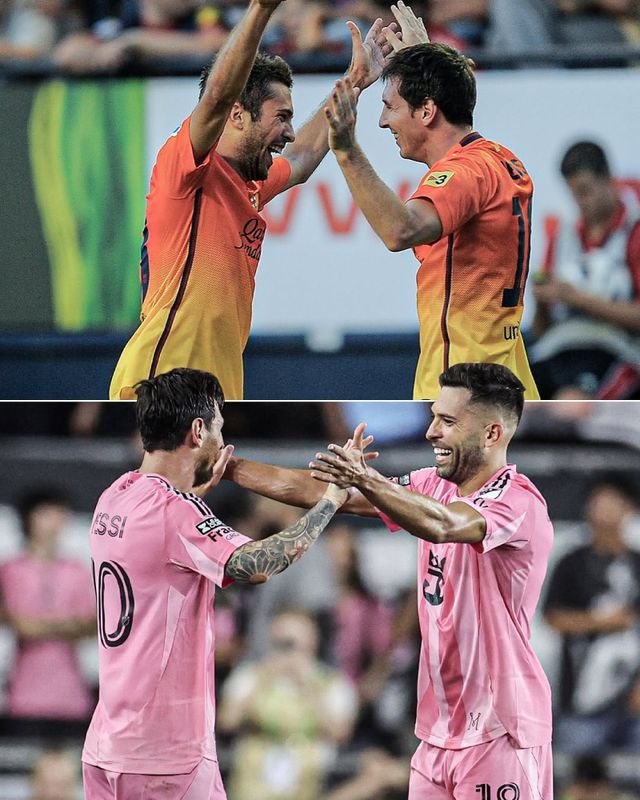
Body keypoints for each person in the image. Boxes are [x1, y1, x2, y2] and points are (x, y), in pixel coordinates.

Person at [224, 362, 554, 799]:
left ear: (492, 433)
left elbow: (443, 525)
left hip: (499, 726)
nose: (431, 432)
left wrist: (365, 478)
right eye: (434, 417)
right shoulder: (431, 485)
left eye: (448, 421)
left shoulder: (518, 502)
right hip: (438, 731)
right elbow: (319, 491)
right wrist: (226, 466)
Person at [82, 367, 349, 800]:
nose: (223, 441)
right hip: (165, 755)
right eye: (219, 427)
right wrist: (331, 500)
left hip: (107, 746)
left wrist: (193, 494)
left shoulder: (115, 495)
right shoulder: (177, 512)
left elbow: (162, 543)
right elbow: (259, 565)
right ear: (197, 431)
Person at [109, 0, 396, 401]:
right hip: (161, 377)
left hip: (218, 385)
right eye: (281, 117)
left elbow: (300, 159)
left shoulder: (251, 183)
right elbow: (217, 95)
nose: (290, 132)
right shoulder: (187, 169)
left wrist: (355, 81)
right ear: (238, 115)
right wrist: (261, 9)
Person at [323, 2, 540, 400]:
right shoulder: (501, 159)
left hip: (462, 382)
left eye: (390, 107)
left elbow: (400, 230)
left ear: (426, 111)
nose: (382, 122)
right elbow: (454, 93)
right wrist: (429, 62)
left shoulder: (464, 172)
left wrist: (346, 150)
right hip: (507, 374)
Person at [531, 140, 640, 399]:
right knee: (502, 396)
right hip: (556, 347)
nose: (580, 202)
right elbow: (540, 329)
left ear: (609, 179)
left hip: (615, 348)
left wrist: (576, 298)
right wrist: (542, 302)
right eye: (573, 193)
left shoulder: (634, 231)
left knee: (571, 402)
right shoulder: (563, 234)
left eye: (585, 191)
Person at [218, 608, 358, 800]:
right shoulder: (251, 675)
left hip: (307, 782)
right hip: (251, 781)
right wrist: (264, 679)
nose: (288, 650)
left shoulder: (331, 682)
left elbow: (340, 733)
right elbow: (227, 722)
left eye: (293, 643)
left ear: (312, 642)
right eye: (281, 642)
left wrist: (309, 687)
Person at [543, 478, 640, 753]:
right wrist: (603, 622)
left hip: (633, 694)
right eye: (598, 501)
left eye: (612, 501)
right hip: (584, 695)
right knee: (577, 766)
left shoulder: (636, 564)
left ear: (629, 508)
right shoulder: (572, 562)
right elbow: (553, 616)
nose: (604, 509)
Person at [0, 488, 96, 720]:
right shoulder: (10, 571)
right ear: (29, 517)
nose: (56, 520)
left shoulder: (76, 570)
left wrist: (40, 625)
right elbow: (20, 624)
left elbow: (91, 625)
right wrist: (66, 624)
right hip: (23, 693)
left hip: (72, 693)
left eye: (60, 512)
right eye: (47, 513)